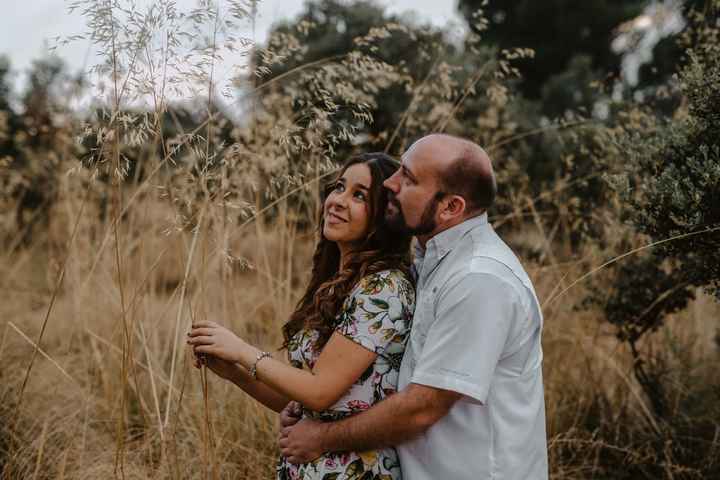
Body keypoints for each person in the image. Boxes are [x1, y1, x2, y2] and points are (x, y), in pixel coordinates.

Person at [278, 134, 548, 480]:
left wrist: (322, 437)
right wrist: (307, 410)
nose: (389, 184)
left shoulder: (480, 279)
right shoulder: (431, 258)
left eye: (408, 177)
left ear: (451, 207)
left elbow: (422, 407)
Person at [187, 152, 416, 479]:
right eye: (339, 187)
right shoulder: (337, 286)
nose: (337, 200)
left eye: (359, 195)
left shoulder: (383, 289)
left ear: (385, 215)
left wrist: (242, 349)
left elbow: (319, 391)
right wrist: (234, 371)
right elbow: (301, 400)